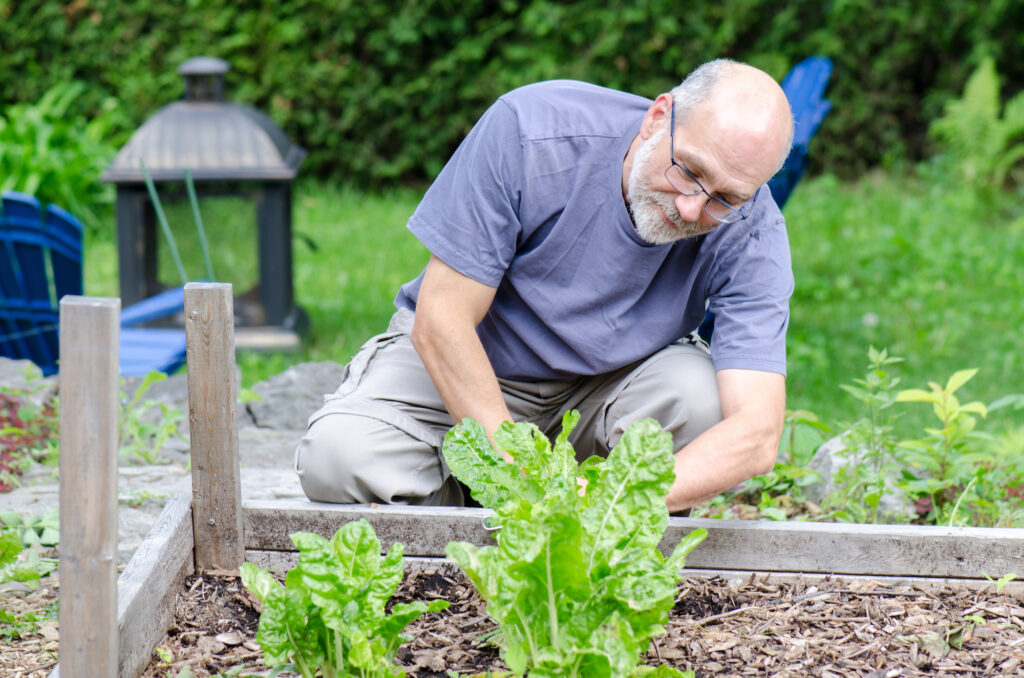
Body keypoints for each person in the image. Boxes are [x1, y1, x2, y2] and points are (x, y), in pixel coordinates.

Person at [295, 59, 795, 514]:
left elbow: (756, 433)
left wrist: (603, 498)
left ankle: (579, 531)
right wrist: (521, 480)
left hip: (614, 385)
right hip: (472, 364)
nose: (692, 208)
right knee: (340, 456)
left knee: (700, 404)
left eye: (725, 198)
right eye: (688, 170)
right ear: (658, 117)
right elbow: (442, 321)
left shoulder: (752, 225)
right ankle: (475, 524)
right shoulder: (530, 132)